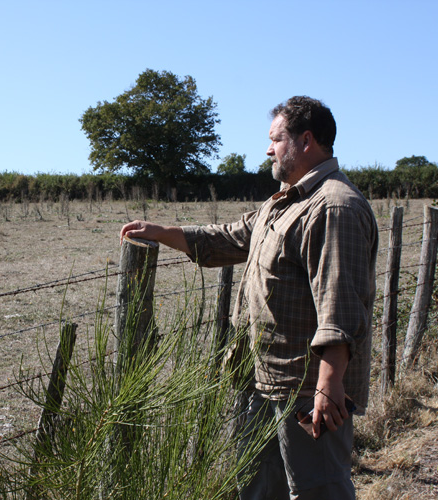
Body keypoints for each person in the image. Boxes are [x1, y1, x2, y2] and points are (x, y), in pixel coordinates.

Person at [120, 96, 377, 499]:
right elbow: (233, 237)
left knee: (318, 491)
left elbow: (340, 306)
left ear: (305, 140)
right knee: (259, 489)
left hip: (306, 389)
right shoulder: (287, 200)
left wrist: (329, 385)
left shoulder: (333, 207)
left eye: (275, 139)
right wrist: (162, 232)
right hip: (264, 377)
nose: (268, 149)